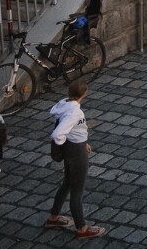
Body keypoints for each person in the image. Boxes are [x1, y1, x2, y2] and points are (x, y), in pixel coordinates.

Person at [44, 80, 104, 239]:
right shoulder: (74, 112)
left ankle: (53, 218)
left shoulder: (64, 104)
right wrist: (72, 146)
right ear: (84, 94)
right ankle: (82, 228)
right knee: (77, 191)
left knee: (67, 184)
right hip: (76, 153)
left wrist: (81, 142)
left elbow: (72, 128)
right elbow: (58, 134)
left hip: (75, 147)